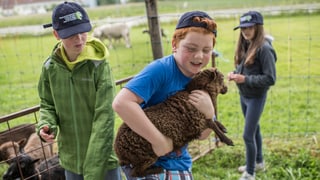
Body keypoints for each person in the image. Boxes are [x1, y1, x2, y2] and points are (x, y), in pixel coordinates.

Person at [112, 11, 217, 180]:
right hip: (147, 161)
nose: (198, 56)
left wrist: (209, 113)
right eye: (191, 48)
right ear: (174, 44)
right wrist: (158, 141)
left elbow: (203, 135)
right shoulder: (161, 70)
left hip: (178, 162)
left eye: (206, 50)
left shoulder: (201, 81)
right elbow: (121, 103)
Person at [37, 2, 121, 180]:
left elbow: (105, 117)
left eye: (83, 31)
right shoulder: (49, 68)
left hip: (103, 161)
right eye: (71, 35)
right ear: (56, 34)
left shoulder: (99, 65)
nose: (80, 39)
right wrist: (47, 124)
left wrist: (92, 170)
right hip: (71, 162)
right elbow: (47, 104)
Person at [228, 11, 277, 180]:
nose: (245, 31)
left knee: (247, 135)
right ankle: (258, 162)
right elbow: (246, 69)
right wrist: (235, 74)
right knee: (254, 130)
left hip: (256, 97)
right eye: (242, 28)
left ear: (258, 27)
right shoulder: (246, 44)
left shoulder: (264, 49)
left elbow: (270, 78)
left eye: (249, 28)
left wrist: (244, 79)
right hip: (244, 95)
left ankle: (250, 173)